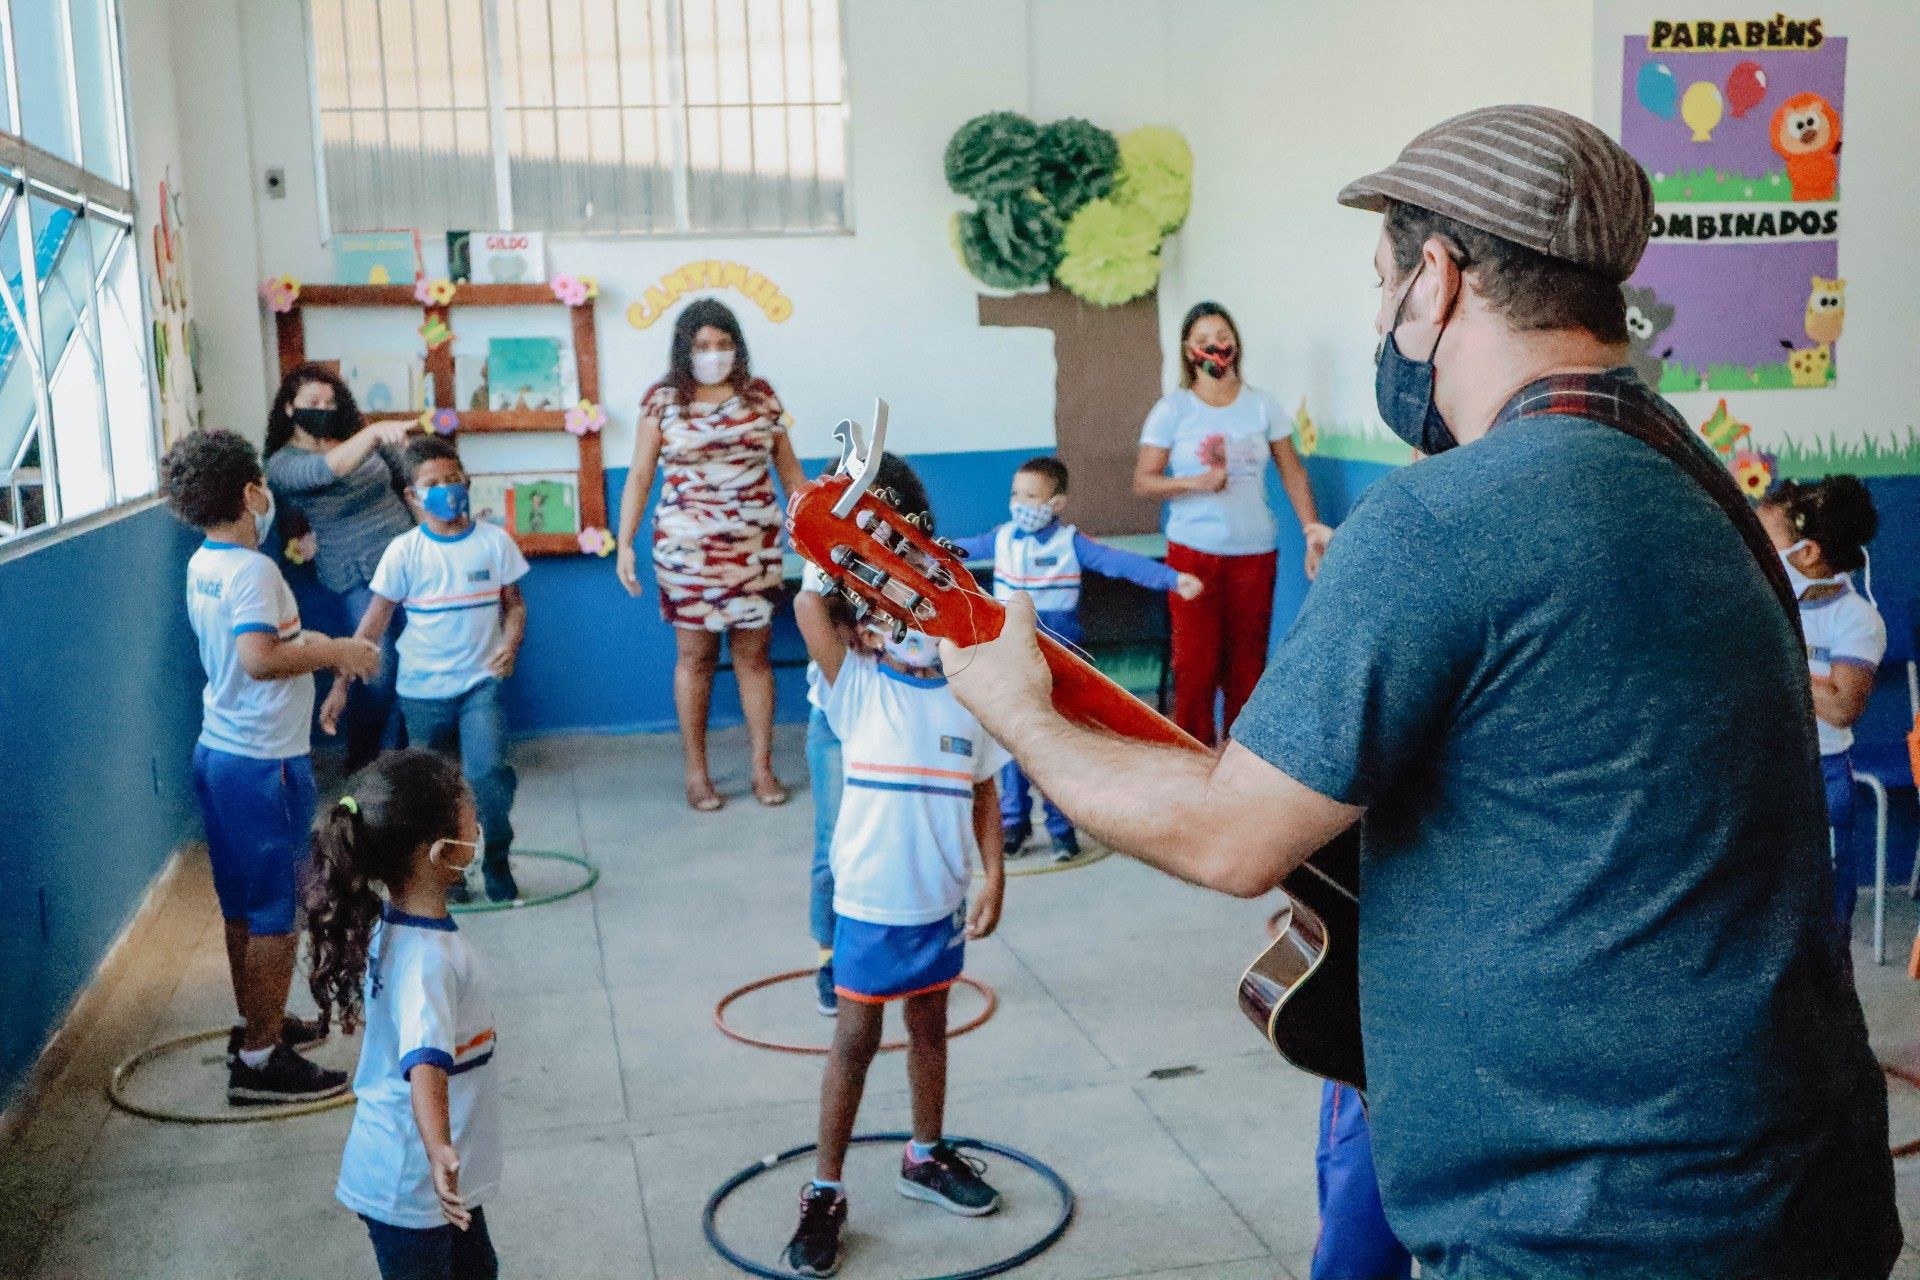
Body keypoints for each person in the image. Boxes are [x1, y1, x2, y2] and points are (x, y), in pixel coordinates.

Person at [939, 105, 1900, 1278]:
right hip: (1801, 1185)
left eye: (1381, 284)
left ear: (1437, 280)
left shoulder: (1445, 514)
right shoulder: (1698, 479)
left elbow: (1230, 835)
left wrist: (1020, 711)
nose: (1382, 318)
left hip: (1586, 1223)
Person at [783, 469, 1010, 1277]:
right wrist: (838, 536)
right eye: (890, 611)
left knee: (928, 1027)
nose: (908, 627)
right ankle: (824, 1190)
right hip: (873, 901)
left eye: (923, 612)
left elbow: (985, 790)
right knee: (854, 1036)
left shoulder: (965, 700)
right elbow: (812, 606)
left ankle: (924, 1154)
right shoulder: (855, 685)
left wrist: (994, 874)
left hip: (940, 899)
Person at [160, 428, 379, 1104]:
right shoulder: (254, 570)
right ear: (252, 491)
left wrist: (307, 642)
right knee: (277, 913)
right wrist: (338, 650)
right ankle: (260, 1060)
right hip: (265, 765)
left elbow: (251, 646)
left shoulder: (206, 562)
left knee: (241, 907)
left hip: (221, 753)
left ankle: (258, 1022)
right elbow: (258, 660)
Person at [948, 456, 1202, 861]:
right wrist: (923, 551)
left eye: (1032, 495)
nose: (1020, 503)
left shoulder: (1072, 543)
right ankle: (1014, 823)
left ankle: (1062, 828)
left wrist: (1172, 578)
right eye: (1016, 493)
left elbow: (1121, 563)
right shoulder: (1001, 539)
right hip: (1010, 659)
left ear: (1057, 503)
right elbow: (956, 551)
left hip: (1059, 661)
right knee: (1011, 743)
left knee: (1055, 746)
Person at [308, 751, 502, 1280]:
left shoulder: (392, 923)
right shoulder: (428, 963)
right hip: (414, 1184)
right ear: (442, 853)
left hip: (424, 1180)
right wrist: (439, 1149)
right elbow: (425, 1065)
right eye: (473, 824)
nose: (479, 832)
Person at [615, 298, 807, 812]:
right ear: (685, 349)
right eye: (702, 346)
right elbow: (639, 475)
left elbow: (790, 474)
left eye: (723, 344)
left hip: (755, 552)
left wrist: (817, 535)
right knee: (695, 658)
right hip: (687, 555)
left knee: (754, 658)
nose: (714, 354)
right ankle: (697, 774)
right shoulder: (662, 400)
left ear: (737, 347)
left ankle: (763, 768)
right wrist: (623, 542)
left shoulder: (762, 397)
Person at [320, 436, 530, 904]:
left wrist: (510, 645)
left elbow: (514, 607)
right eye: (432, 483)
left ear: (468, 483)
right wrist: (340, 687)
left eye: (454, 480)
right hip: (421, 694)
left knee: (487, 775)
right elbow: (371, 626)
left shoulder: (495, 543)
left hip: (480, 685)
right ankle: (448, 873)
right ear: (412, 497)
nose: (447, 490)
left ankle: (496, 856)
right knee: (430, 795)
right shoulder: (404, 552)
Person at [1133, 302, 1332, 745]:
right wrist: (1197, 482)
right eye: (1204, 341)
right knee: (1195, 669)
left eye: (1222, 336)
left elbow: (1293, 471)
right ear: (1189, 351)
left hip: (1254, 554)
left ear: (1236, 343)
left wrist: (1311, 530)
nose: (1215, 347)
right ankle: (1194, 762)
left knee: (1248, 669)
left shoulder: (1262, 406)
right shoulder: (1173, 410)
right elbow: (1144, 482)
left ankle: (1242, 766)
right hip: (1192, 553)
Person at [799, 453, 937, 1018]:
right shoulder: (826, 556)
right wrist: (849, 625)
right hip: (840, 716)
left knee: (907, 839)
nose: (870, 519)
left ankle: (912, 948)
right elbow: (813, 607)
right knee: (834, 846)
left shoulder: (921, 556)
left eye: (881, 507)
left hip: (906, 719)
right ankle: (831, 958)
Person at [1757, 476, 1885, 970]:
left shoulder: (1856, 620)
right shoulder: (1769, 607)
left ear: (1806, 554)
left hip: (1822, 775)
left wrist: (1773, 656)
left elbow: (1840, 707)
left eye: (1766, 542)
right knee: (1768, 918)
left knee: (1825, 923)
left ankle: (1837, 1040)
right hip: (1767, 772)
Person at [265, 363, 418, 772]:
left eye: (331, 401)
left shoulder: (355, 439)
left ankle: (407, 763)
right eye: (313, 402)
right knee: (375, 670)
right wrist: (372, 433)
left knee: (418, 663)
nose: (325, 408)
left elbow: (407, 474)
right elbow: (327, 469)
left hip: (411, 562)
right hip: (358, 575)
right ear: (288, 409)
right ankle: (364, 762)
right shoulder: (282, 464)